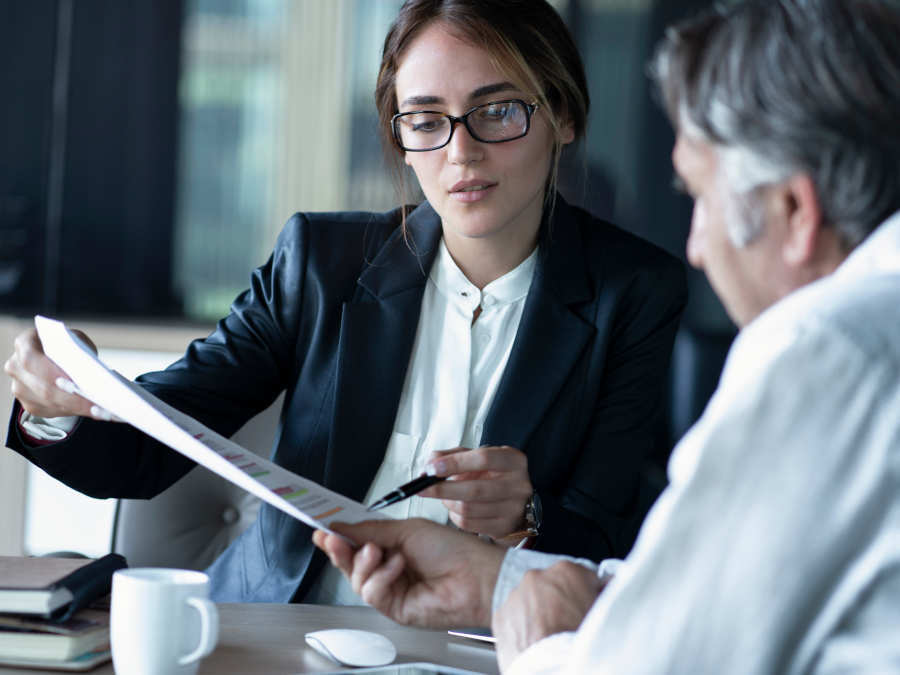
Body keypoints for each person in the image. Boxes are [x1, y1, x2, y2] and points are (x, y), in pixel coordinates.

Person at [4, 0, 686, 605]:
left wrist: (529, 514)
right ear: (401, 138)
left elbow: (620, 538)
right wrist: (54, 403)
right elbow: (148, 448)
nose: (462, 152)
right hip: (279, 630)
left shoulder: (634, 293)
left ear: (562, 116)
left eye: (498, 111)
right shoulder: (319, 263)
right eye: (426, 120)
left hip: (485, 648)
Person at [313, 0, 900, 671]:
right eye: (425, 120)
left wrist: (536, 646)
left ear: (794, 211)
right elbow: (703, 595)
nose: (698, 245)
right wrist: (493, 582)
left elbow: (661, 660)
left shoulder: (826, 353)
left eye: (701, 197)